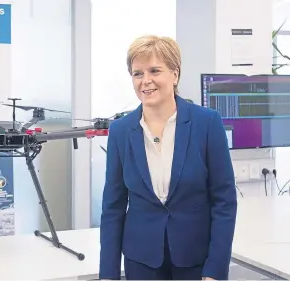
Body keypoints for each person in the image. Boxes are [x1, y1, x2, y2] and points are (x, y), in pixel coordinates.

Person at [98, 35, 237, 280]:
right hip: (141, 260)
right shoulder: (120, 131)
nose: (145, 81)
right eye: (137, 73)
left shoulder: (207, 123)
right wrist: (108, 273)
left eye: (154, 71)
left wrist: (215, 270)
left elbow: (224, 201)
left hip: (195, 259)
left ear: (175, 74)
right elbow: (113, 207)